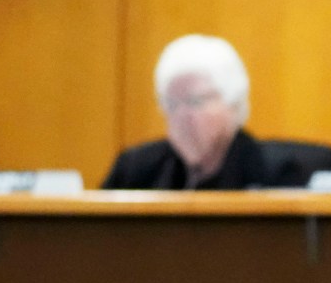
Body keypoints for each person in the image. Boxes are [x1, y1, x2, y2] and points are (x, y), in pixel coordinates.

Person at [103, 35, 304, 190]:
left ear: (233, 104)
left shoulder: (276, 174)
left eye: (194, 101)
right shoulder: (136, 170)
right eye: (171, 104)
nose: (181, 116)